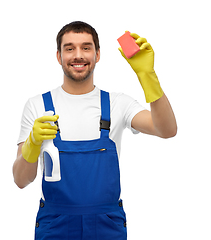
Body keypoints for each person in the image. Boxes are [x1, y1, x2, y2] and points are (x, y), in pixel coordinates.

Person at [13, 21, 177, 240]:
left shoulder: (118, 103)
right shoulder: (37, 106)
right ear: (58, 56)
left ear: (98, 55)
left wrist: (148, 76)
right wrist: (32, 145)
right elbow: (20, 180)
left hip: (107, 225)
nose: (78, 55)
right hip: (55, 226)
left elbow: (166, 129)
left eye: (86, 47)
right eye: (69, 48)